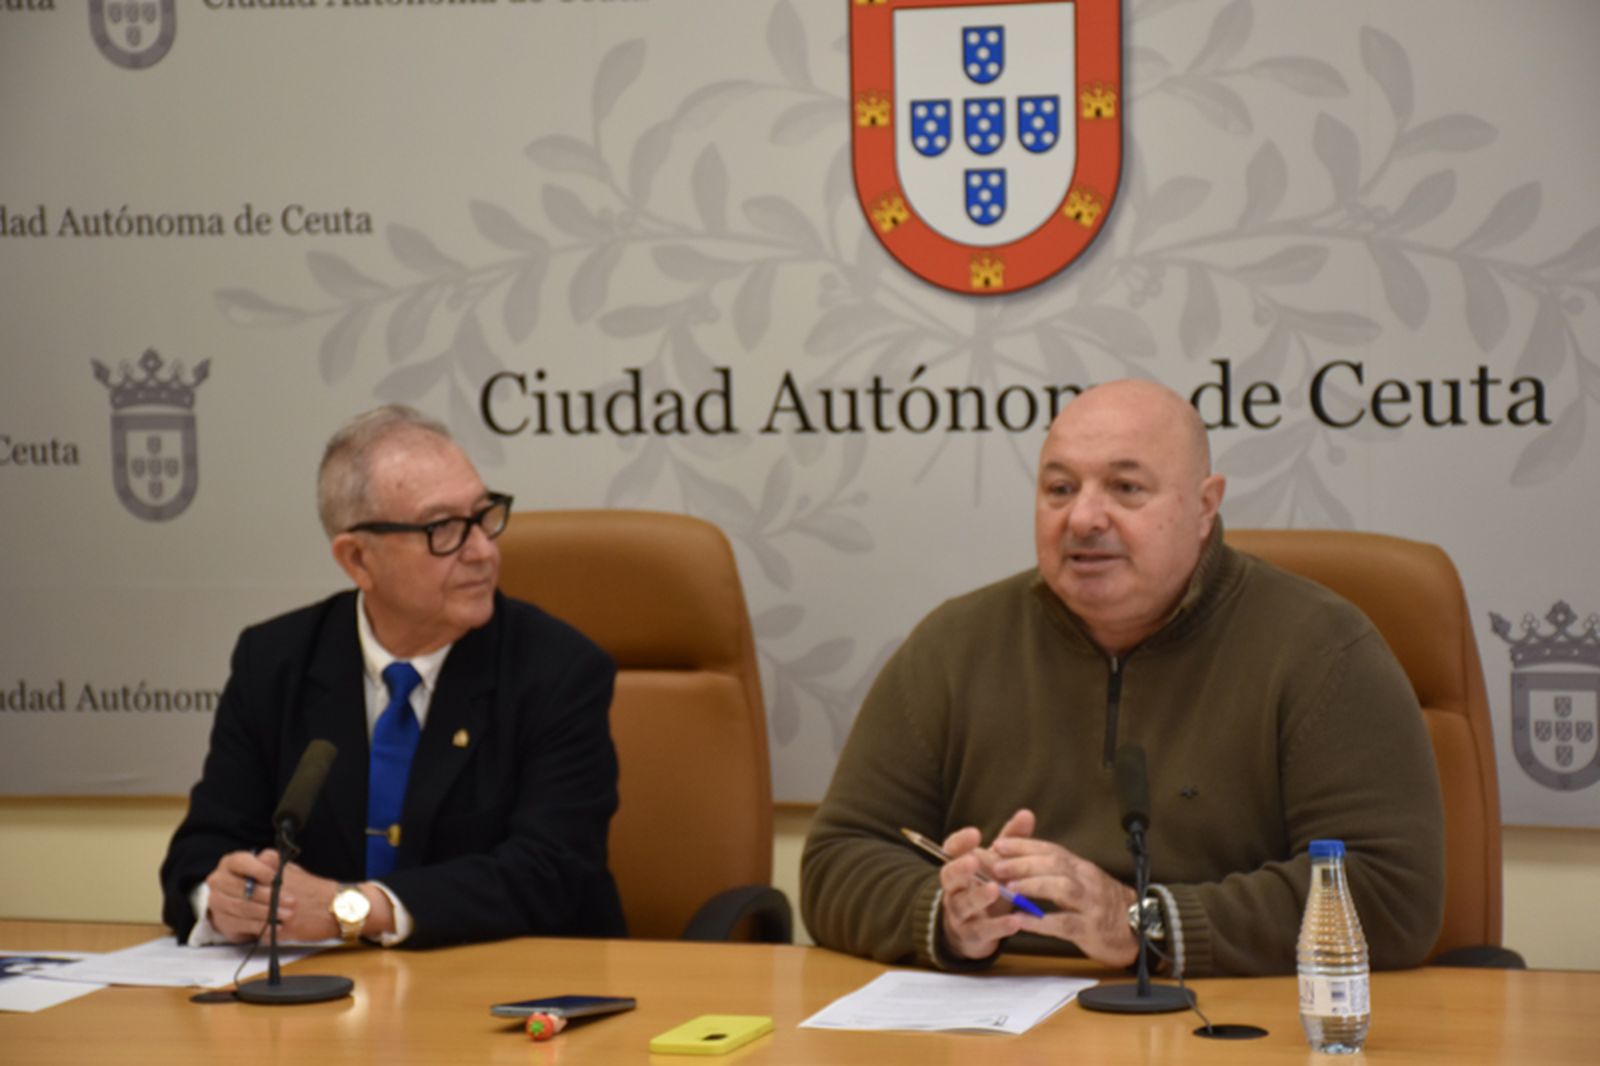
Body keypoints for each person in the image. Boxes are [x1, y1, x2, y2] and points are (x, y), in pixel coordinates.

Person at [801, 379, 1445, 977]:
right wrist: (948, 917)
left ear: (1204, 506)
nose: (1082, 519)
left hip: (1225, 1024)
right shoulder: (952, 645)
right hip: (1002, 1030)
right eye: (1059, 489)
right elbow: (837, 863)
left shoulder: (1321, 648)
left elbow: (1390, 895)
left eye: (1125, 488)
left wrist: (1143, 923)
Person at [160, 405, 625, 949]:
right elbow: (199, 855)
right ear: (358, 559)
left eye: (483, 516)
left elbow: (550, 872)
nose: (482, 550)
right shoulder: (275, 661)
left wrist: (354, 910)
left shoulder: (557, 668)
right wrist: (224, 901)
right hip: (318, 1002)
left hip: (512, 994)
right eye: (443, 529)